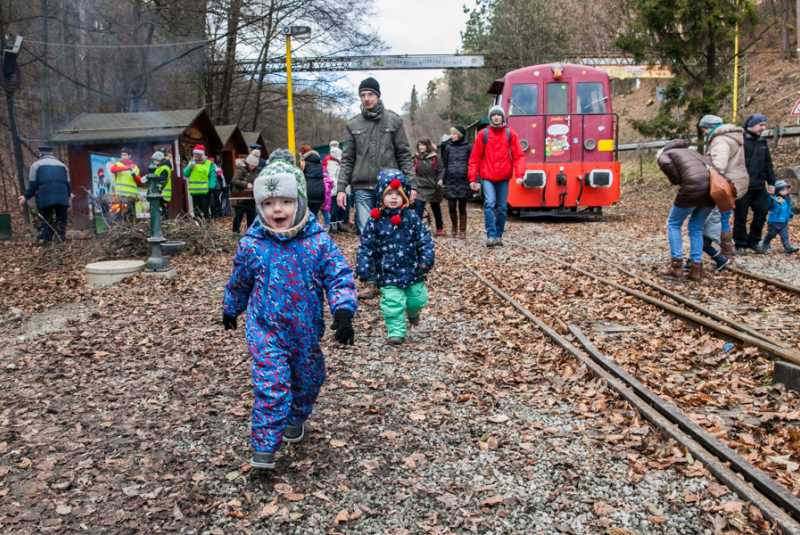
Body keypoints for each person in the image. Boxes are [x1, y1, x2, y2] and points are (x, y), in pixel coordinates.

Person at [222, 160, 357, 470]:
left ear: (299, 202)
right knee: (272, 385)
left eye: (285, 201)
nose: (277, 210)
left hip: (306, 332)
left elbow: (338, 276)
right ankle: (265, 447)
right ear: (259, 206)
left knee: (310, 379)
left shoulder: (318, 242)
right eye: (268, 203)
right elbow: (240, 281)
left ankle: (295, 419)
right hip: (265, 330)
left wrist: (343, 309)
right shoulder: (252, 245)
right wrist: (231, 307)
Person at [336, 77, 417, 299]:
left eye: (370, 94)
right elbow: (347, 158)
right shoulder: (353, 124)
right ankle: (371, 282)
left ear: (378, 95)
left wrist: (412, 185)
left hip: (389, 188)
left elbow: (403, 154)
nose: (367, 98)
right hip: (362, 187)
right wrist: (341, 187)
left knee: (392, 232)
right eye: (363, 95)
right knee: (366, 232)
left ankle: (392, 278)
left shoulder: (394, 121)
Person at [356, 170, 434, 345]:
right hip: (388, 272)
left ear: (404, 196)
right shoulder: (374, 221)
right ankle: (396, 332)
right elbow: (366, 246)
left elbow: (424, 238)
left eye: (397, 194)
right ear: (380, 196)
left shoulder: (411, 218)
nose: (393, 198)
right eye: (388, 194)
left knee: (417, 298)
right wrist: (364, 268)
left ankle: (413, 313)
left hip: (413, 269)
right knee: (393, 303)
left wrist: (426, 259)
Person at [657, 138, 716, 281]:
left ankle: (676, 267)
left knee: (673, 223)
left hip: (692, 188)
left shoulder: (665, 155)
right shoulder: (693, 153)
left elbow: (676, 179)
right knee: (696, 227)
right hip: (713, 189)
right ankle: (696, 269)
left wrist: (661, 159)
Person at [468, 106, 525, 247]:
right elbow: (475, 157)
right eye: (493, 115)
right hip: (487, 175)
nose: (496, 117)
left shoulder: (510, 133)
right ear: (490, 117)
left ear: (502, 117)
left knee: (502, 207)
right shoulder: (483, 134)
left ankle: (499, 235)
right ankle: (491, 236)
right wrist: (473, 178)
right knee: (489, 203)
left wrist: (519, 174)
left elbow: (518, 155)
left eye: (498, 115)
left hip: (504, 176)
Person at [701, 115, 749, 260]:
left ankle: (724, 253)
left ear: (709, 127)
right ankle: (727, 251)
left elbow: (719, 166)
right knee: (723, 217)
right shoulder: (732, 137)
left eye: (704, 129)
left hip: (723, 184)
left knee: (714, 219)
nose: (703, 133)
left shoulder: (720, 140)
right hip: (734, 182)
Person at [734, 113, 777, 255]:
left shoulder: (762, 142)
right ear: (752, 125)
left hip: (759, 187)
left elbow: (768, 163)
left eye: (764, 125)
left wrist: (771, 182)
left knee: (762, 213)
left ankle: (754, 241)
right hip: (744, 187)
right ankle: (740, 243)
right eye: (761, 125)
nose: (763, 128)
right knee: (741, 217)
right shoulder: (741, 141)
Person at [19, 146, 71, 245]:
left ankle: (48, 243)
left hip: (45, 197)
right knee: (62, 220)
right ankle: (60, 242)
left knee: (46, 220)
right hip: (62, 196)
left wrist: (25, 197)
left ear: (40, 154)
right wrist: (68, 196)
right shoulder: (63, 166)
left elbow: (33, 185)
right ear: (51, 153)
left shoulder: (36, 165)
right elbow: (68, 183)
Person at [440, 125, 473, 239]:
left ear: (460, 135)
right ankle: (454, 226)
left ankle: (462, 230)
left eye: (454, 134)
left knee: (462, 207)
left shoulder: (468, 147)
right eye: (451, 134)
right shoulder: (448, 148)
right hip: (451, 181)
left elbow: (472, 164)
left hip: (464, 180)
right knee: (451, 206)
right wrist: (441, 178)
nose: (452, 136)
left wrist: (473, 179)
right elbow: (445, 166)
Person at [683, 208, 731, 273]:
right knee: (699, 244)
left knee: (703, 245)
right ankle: (691, 262)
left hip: (710, 228)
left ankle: (720, 259)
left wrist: (699, 224)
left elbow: (707, 214)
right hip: (711, 226)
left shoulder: (712, 204)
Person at [413, 138, 444, 235]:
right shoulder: (416, 158)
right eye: (419, 145)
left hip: (433, 187)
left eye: (423, 145)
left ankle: (440, 228)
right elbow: (412, 172)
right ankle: (418, 230)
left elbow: (440, 171)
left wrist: (440, 181)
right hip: (420, 187)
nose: (421, 147)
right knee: (418, 207)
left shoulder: (436, 157)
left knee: (436, 208)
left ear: (428, 146)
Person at [761, 180, 798, 254]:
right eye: (783, 190)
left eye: (787, 190)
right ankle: (765, 244)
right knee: (771, 234)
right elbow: (769, 204)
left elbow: (787, 209)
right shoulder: (774, 199)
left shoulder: (787, 199)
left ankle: (787, 247)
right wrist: (770, 195)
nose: (786, 192)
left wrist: (791, 214)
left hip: (784, 221)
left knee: (785, 235)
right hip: (774, 221)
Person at [183, 145, 217, 219]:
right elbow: (185, 174)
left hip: (205, 191)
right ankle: (199, 227)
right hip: (194, 191)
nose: (195, 155)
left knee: (205, 210)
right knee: (196, 211)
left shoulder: (209, 163)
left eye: (197, 154)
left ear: (201, 154)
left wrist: (211, 187)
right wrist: (189, 168)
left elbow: (213, 176)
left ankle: (206, 226)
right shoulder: (191, 163)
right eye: (194, 153)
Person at [231, 150, 260, 233]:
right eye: (251, 165)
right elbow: (234, 180)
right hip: (239, 196)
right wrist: (246, 184)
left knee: (251, 215)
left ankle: (250, 232)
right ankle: (235, 232)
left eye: (254, 166)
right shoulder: (240, 169)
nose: (253, 167)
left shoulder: (254, 172)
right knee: (239, 216)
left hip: (250, 197)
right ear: (248, 163)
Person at [109, 147, 140, 220]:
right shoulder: (117, 164)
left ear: (129, 156)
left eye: (125, 155)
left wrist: (134, 176)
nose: (123, 157)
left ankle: (130, 230)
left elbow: (139, 180)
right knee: (119, 215)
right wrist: (126, 168)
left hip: (131, 196)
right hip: (120, 195)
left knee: (130, 216)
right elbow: (112, 170)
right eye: (122, 155)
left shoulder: (135, 167)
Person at [298, 145, 326, 223]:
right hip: (320, 190)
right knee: (315, 214)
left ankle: (307, 232)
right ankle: (316, 230)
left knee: (306, 214)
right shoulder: (319, 163)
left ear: (303, 153)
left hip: (308, 190)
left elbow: (298, 177)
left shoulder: (302, 163)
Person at [327, 145, 349, 233]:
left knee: (342, 208)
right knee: (335, 208)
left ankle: (340, 223)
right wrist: (339, 188)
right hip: (336, 190)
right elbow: (332, 177)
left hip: (343, 189)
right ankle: (332, 224)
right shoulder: (332, 164)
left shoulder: (339, 163)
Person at [151, 151, 172, 220]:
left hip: (163, 193)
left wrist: (153, 178)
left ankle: (164, 224)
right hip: (160, 193)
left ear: (159, 160)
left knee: (163, 211)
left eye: (155, 160)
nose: (153, 162)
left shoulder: (164, 168)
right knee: (161, 210)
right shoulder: (159, 167)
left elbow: (162, 179)